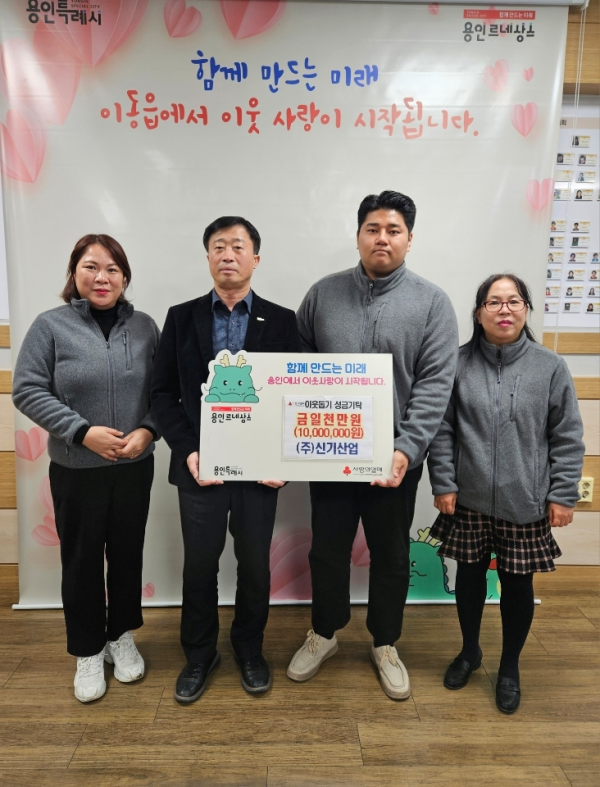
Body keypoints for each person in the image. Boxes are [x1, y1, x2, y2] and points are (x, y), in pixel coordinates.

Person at [288, 190, 458, 700]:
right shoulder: (322, 294)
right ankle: (324, 633)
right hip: (330, 456)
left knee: (391, 555)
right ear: (359, 234)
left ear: (409, 238)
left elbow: (435, 385)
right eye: (373, 229)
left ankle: (385, 642)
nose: (382, 238)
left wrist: (406, 449)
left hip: (394, 461)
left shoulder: (432, 303)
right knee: (327, 551)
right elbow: (297, 369)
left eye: (393, 230)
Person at [150, 216, 301, 703]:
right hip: (199, 468)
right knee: (199, 568)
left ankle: (249, 650)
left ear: (256, 258)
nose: (228, 255)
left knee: (255, 567)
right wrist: (188, 451)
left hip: (260, 473)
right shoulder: (181, 317)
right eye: (218, 246)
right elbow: (162, 393)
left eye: (238, 246)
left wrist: (283, 461)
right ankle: (199, 655)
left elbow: (295, 396)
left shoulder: (283, 320)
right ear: (208, 257)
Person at [12, 234, 160, 703]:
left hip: (133, 466)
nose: (102, 277)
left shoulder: (145, 326)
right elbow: (27, 389)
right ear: (74, 273)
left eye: (113, 269)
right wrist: (81, 431)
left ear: (125, 277)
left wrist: (149, 431)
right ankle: (88, 649)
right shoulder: (50, 326)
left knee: (127, 554)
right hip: (76, 468)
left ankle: (121, 635)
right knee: (81, 561)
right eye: (91, 267)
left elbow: (163, 390)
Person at [428, 274, 584, 714]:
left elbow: (567, 436)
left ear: (526, 310)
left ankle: (510, 666)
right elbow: (441, 430)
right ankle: (469, 651)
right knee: (469, 578)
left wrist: (563, 493)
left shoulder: (550, 366)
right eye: (493, 302)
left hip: (525, 500)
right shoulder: (456, 363)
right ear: (479, 313)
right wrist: (444, 482)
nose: (504, 310)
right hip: (469, 497)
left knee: (517, 585)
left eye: (513, 301)